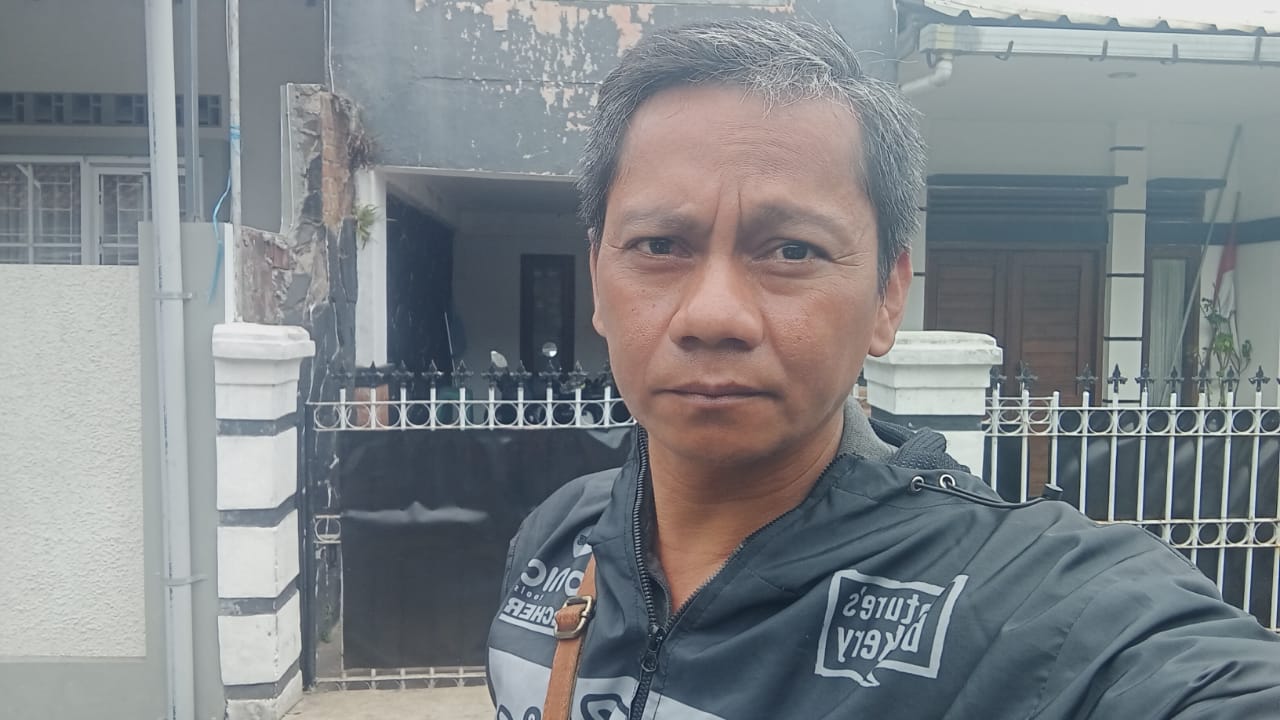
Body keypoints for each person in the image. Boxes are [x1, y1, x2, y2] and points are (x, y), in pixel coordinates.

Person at [486, 17, 1280, 719]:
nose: (713, 315)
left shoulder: (1020, 602)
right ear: (599, 280)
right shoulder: (561, 535)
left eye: (791, 250)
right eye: (660, 245)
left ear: (888, 296)